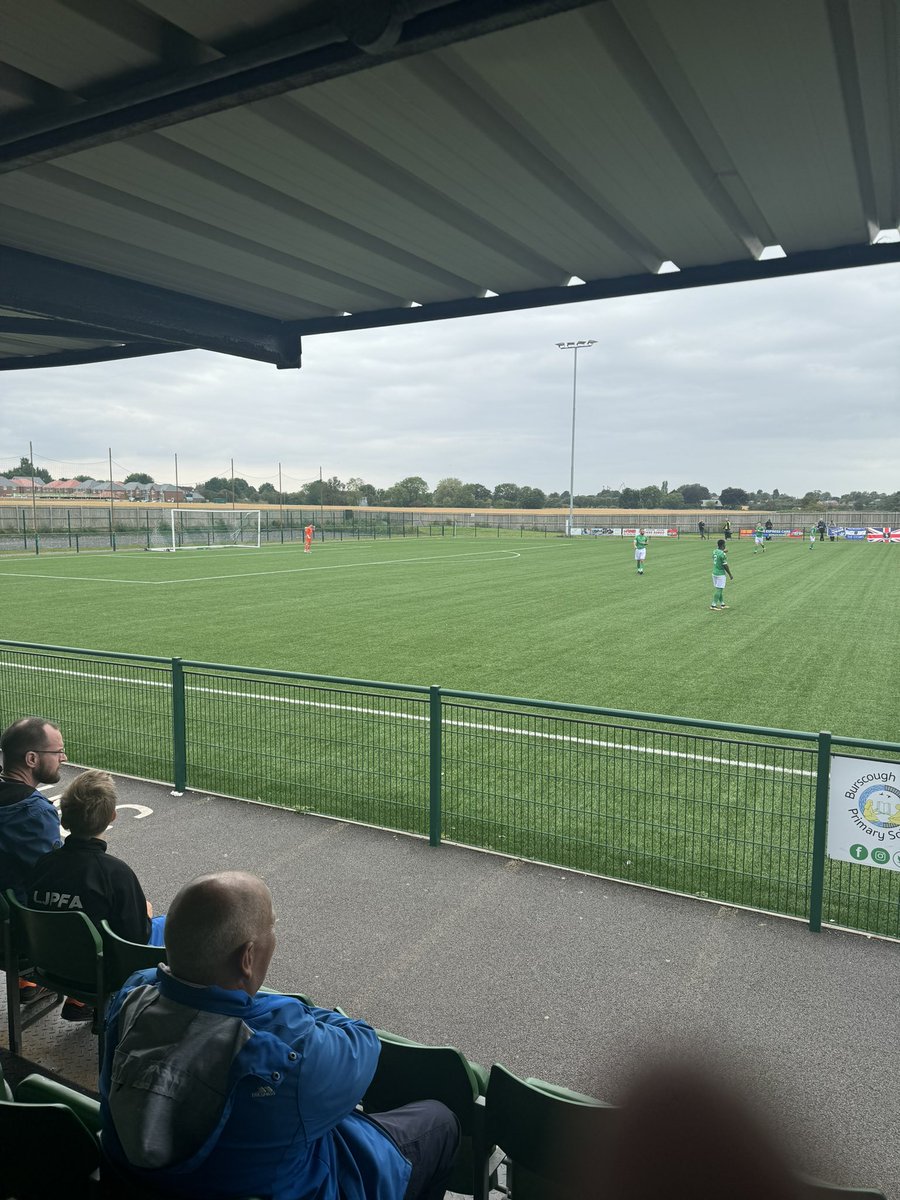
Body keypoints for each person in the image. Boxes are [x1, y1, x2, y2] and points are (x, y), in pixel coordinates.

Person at [100, 871, 459, 1200]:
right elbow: (363, 1043)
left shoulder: (130, 998)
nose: (274, 936)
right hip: (311, 1181)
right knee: (439, 1122)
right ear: (247, 957)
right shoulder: (286, 1049)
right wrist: (285, 1009)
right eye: (271, 927)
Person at [26, 769, 165, 1022]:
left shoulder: (43, 864)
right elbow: (135, 940)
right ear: (112, 816)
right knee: (165, 924)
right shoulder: (116, 874)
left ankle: (82, 1003)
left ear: (64, 820)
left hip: (48, 967)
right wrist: (145, 914)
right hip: (99, 977)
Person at [0, 716, 66, 1004]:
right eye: (58, 751)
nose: (63, 757)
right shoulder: (34, 813)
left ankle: (28, 982)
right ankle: (84, 997)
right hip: (21, 938)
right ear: (31, 759)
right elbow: (54, 880)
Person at [710, 539, 733, 610]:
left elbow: (717, 554)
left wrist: (723, 551)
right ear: (723, 545)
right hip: (720, 574)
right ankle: (713, 605)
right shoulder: (722, 554)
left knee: (719, 589)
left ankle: (722, 604)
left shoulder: (714, 551)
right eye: (724, 544)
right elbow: (725, 565)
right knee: (719, 590)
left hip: (714, 572)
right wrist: (730, 574)